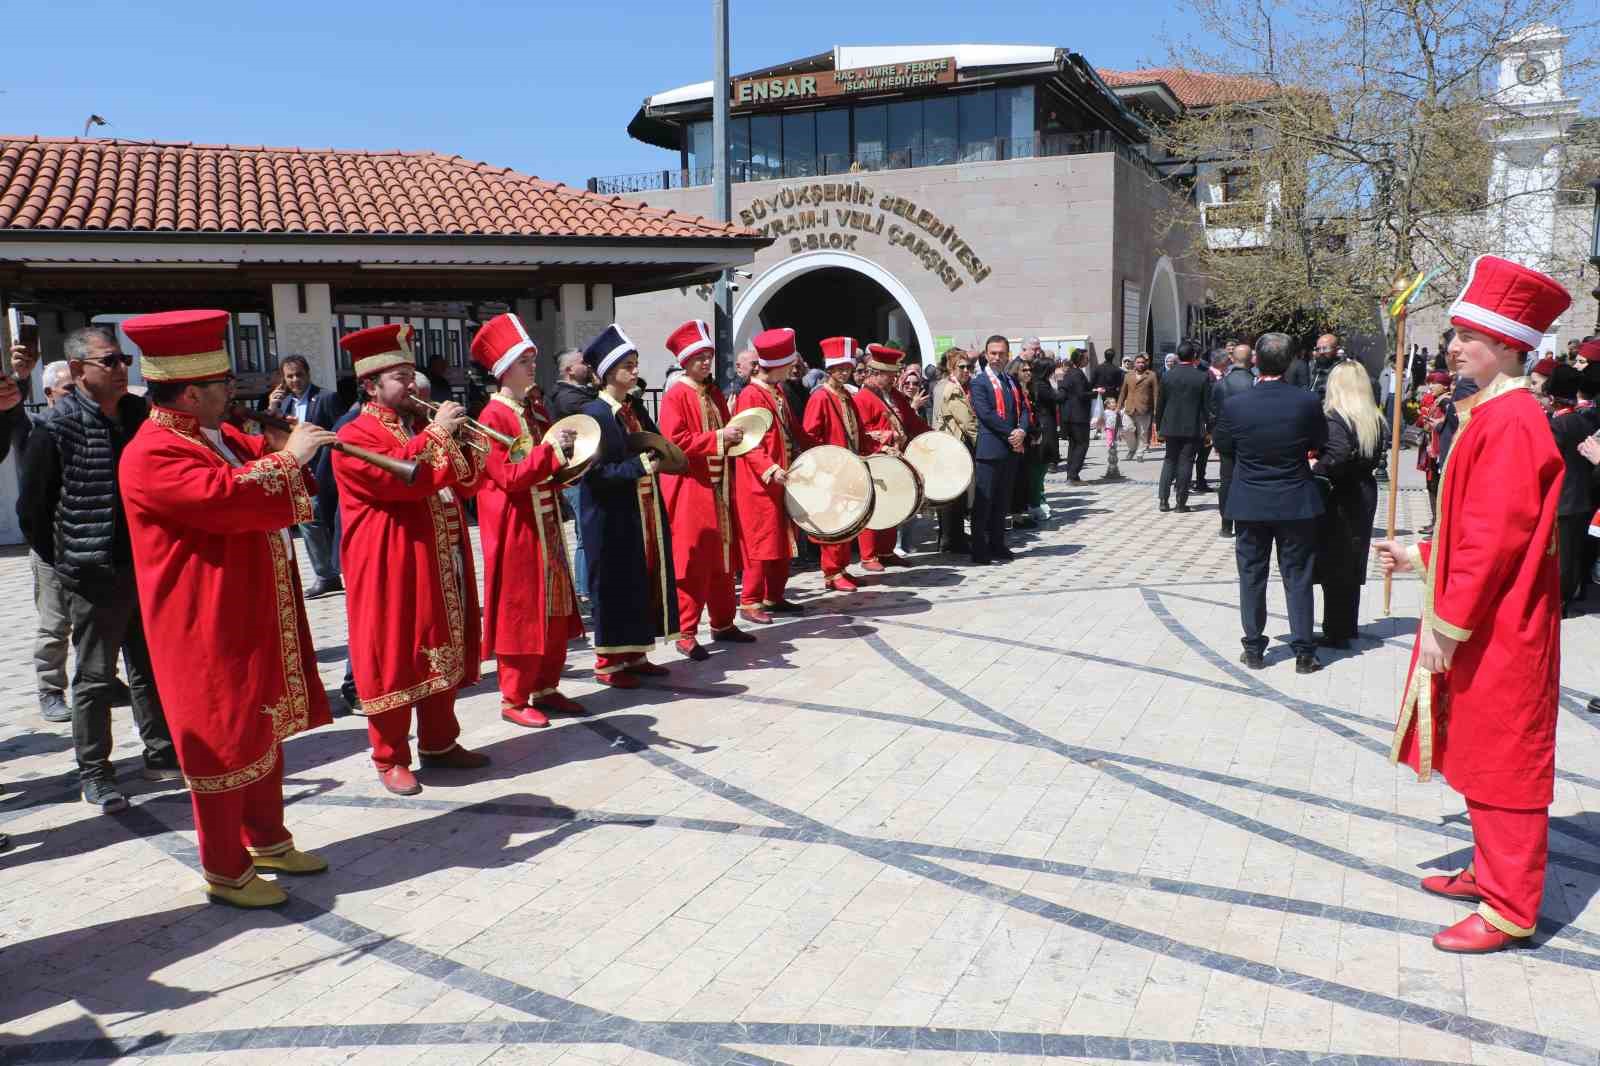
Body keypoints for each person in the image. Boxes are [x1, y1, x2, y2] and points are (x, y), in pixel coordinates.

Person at [1373, 255, 1568, 954]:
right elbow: (1474, 528)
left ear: (1511, 346)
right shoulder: (1494, 411)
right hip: (1488, 615)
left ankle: (1512, 906)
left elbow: (1492, 543)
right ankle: (1489, 871)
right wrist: (1422, 556)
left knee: (1506, 759)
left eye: (1470, 337)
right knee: (1481, 751)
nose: (1455, 347)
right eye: (1456, 333)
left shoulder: (1512, 420)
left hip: (1498, 624)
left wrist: (1445, 629)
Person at [117, 309, 334, 907]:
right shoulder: (152, 451)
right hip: (201, 619)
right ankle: (224, 868)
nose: (233, 393)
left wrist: (282, 449)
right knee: (221, 730)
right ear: (190, 391)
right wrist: (290, 459)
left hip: (247, 605)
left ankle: (266, 838)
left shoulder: (217, 434)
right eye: (221, 386)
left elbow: (260, 474)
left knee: (262, 722)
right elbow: (224, 498)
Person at [17, 325, 177, 812]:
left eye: (124, 358)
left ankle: (161, 751)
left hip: (143, 566)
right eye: (110, 360)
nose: (122, 367)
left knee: (149, 667)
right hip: (90, 573)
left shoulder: (138, 414)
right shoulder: (56, 426)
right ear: (80, 369)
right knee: (94, 676)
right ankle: (95, 770)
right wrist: (68, 561)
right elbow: (33, 511)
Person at [334, 324, 491, 796]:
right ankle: (389, 757)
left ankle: (441, 742)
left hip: (434, 555)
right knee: (393, 654)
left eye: (410, 374)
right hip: (388, 563)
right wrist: (441, 433)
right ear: (370, 385)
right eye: (399, 377)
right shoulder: (353, 433)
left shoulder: (414, 427)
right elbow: (407, 479)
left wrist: (461, 442)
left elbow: (464, 484)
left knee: (438, 645)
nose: (412, 384)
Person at [470, 314, 584, 726]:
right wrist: (552, 452)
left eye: (533, 358)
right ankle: (514, 698)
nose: (532, 365)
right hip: (517, 529)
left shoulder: (532, 409)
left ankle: (547, 685)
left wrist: (569, 460)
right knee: (522, 611)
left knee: (553, 606)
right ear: (504, 370)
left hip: (546, 521)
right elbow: (509, 477)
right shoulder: (492, 418)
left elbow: (543, 464)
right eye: (523, 360)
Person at [1213, 332, 1327, 674]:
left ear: (1257, 362)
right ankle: (1304, 652)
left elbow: (1224, 446)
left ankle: (1254, 648)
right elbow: (1319, 441)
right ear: (1290, 362)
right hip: (1294, 500)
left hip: (1250, 500)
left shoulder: (1236, 404)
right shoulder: (1305, 402)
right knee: (1298, 576)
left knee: (1251, 575)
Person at [574, 325, 680, 683]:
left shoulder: (631, 408)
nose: (636, 371)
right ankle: (608, 661)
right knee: (614, 583)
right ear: (608, 372)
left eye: (635, 364)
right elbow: (595, 473)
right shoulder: (595, 413)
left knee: (641, 580)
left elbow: (655, 443)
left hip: (640, 509)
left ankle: (635, 652)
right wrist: (640, 465)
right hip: (609, 514)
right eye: (628, 365)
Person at [656, 320, 756, 656]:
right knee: (694, 560)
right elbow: (674, 444)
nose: (705, 362)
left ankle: (723, 622)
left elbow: (729, 430)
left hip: (720, 486)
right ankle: (686, 633)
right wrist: (718, 438)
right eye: (699, 356)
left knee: (724, 559)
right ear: (685, 361)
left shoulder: (713, 392)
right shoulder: (675, 396)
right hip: (691, 489)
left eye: (708, 356)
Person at [733, 328, 814, 619]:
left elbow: (794, 429)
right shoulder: (749, 395)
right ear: (778, 366)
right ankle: (750, 601)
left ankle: (774, 596)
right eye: (790, 365)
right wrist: (769, 468)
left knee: (782, 540)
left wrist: (819, 449)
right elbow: (745, 442)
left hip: (782, 478)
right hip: (760, 482)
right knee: (761, 541)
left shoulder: (777, 391)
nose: (793, 370)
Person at [1312, 361, 1384, 648]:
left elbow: (1338, 454)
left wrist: (1317, 467)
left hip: (1341, 494)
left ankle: (1337, 630)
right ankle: (1345, 626)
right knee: (1351, 560)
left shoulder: (1335, 417)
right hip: (1363, 490)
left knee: (1335, 562)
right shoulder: (1373, 418)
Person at [266, 354, 345, 598]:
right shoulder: (285, 404)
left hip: (324, 470)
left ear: (308, 373)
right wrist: (272, 407)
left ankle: (338, 571)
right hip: (298, 473)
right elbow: (269, 437)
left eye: (299, 374)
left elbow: (340, 432)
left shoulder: (325, 398)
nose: (295, 380)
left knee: (327, 522)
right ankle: (326, 575)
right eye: (289, 376)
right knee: (308, 521)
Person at [804, 336, 871, 589]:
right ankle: (831, 572)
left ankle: (841, 567)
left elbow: (857, 430)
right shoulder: (820, 397)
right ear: (829, 369)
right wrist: (826, 465)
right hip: (831, 470)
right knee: (832, 520)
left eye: (848, 367)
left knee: (846, 519)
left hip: (849, 467)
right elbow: (811, 436)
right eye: (840, 368)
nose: (845, 372)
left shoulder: (847, 395)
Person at [853, 345, 927, 568]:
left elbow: (911, 421)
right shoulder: (862, 398)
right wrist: (889, 436)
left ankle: (886, 551)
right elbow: (861, 431)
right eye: (890, 375)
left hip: (897, 459)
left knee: (893, 505)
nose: (895, 379)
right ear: (876, 374)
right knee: (873, 507)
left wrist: (930, 436)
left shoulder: (894, 395)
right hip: (875, 459)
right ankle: (868, 556)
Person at [1545, 364, 1600, 616]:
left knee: (1563, 556)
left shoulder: (1558, 425)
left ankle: (1560, 601)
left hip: (1563, 498)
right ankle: (1571, 594)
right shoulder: (1583, 420)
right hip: (1583, 496)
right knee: (1574, 553)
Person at [969, 336, 1029, 563]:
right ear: (986, 355)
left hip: (1011, 449)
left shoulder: (1011, 381)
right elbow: (986, 414)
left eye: (1001, 353)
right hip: (990, 449)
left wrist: (1022, 430)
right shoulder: (979, 382)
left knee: (1003, 501)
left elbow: (1023, 408)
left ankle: (998, 543)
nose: (997, 358)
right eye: (993, 353)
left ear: (1008, 355)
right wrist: (1012, 434)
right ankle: (979, 548)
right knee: (984, 502)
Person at [549, 347, 597, 603]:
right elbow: (595, 410)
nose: (588, 367)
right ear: (569, 370)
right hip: (575, 477)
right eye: (583, 363)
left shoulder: (579, 393)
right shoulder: (565, 397)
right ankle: (584, 592)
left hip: (586, 472)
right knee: (585, 533)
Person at [1154, 340, 1212, 514]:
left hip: (1170, 426)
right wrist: (1209, 430)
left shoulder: (1167, 375)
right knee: (1186, 462)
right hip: (1191, 427)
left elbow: (1160, 404)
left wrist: (1158, 428)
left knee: (1169, 460)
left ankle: (1163, 500)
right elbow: (1206, 407)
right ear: (1194, 356)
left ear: (1178, 356)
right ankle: (1181, 503)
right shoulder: (1202, 377)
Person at [931, 346, 976, 553]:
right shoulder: (953, 389)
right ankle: (951, 541)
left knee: (953, 495)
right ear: (951, 367)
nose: (967, 370)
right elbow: (967, 423)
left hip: (946, 446)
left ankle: (951, 537)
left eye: (970, 366)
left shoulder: (941, 385)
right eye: (962, 367)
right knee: (954, 497)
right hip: (953, 447)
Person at [1210, 341, 1254, 537]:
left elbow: (1213, 412)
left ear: (1232, 359)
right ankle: (1247, 520)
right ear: (1251, 360)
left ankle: (1226, 524)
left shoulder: (1221, 384)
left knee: (1226, 479)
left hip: (1226, 437)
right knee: (1248, 479)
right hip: (1250, 437)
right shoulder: (1256, 383)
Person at [1008, 357, 1046, 525]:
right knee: (1017, 479)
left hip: (1031, 439)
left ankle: (1023, 513)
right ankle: (1016, 517)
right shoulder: (1013, 390)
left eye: (1030, 370)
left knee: (1025, 478)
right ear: (1016, 372)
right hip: (1018, 440)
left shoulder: (1030, 390)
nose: (1028, 373)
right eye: (1024, 370)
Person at [1058, 350, 1093, 484]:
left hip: (1070, 415)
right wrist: (1095, 393)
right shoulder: (1077, 374)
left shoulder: (1069, 373)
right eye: (1086, 358)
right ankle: (1073, 475)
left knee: (1074, 445)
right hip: (1078, 416)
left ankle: (1071, 475)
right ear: (1079, 359)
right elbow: (1081, 394)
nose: (1087, 360)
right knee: (1082, 444)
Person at [1115, 354, 1158, 462]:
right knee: (1127, 429)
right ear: (1134, 363)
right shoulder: (1128, 375)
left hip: (1144, 408)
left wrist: (1156, 409)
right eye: (1138, 362)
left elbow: (1156, 394)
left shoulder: (1151, 375)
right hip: (1130, 407)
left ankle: (1140, 453)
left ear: (1146, 363)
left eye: (1142, 362)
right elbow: (1123, 392)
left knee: (1143, 433)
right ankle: (1132, 448)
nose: (1140, 364)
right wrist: (1118, 406)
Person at [1097, 395, 1125, 480]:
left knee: (1115, 438)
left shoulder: (1117, 412)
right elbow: (1101, 419)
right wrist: (1099, 427)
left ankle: (1113, 444)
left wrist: (1121, 430)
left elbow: (1120, 420)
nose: (1114, 404)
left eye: (1115, 402)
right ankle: (1110, 445)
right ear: (1108, 405)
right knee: (1110, 438)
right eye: (1112, 403)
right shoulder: (1106, 412)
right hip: (1108, 428)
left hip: (1115, 428)